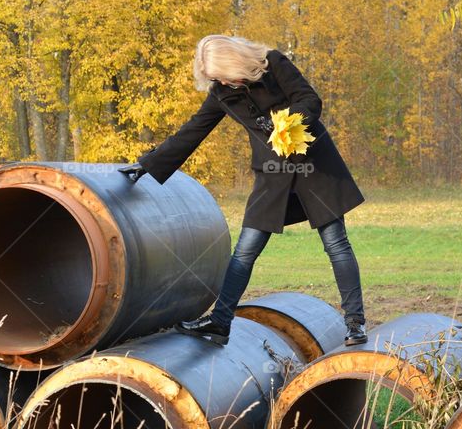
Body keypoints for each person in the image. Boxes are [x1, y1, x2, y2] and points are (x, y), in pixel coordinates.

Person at [118, 35, 368, 347]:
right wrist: (148, 163)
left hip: (314, 166)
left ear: (236, 62)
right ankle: (221, 322)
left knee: (336, 244)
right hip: (272, 176)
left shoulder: (273, 63)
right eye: (215, 78)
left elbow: (310, 100)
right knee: (245, 250)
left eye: (222, 74)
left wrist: (288, 123)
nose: (221, 81)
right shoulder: (222, 93)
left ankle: (355, 324)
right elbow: (193, 131)